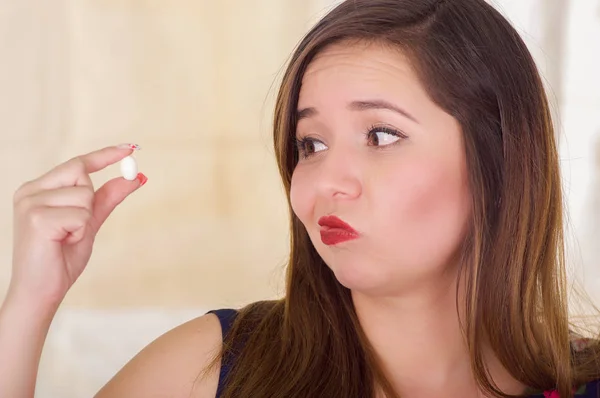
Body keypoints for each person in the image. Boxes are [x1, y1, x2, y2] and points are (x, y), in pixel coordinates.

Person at [1, 0, 600, 397]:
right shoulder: (216, 369)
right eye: (310, 143)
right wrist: (29, 302)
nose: (325, 182)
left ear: (499, 157)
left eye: (382, 135)